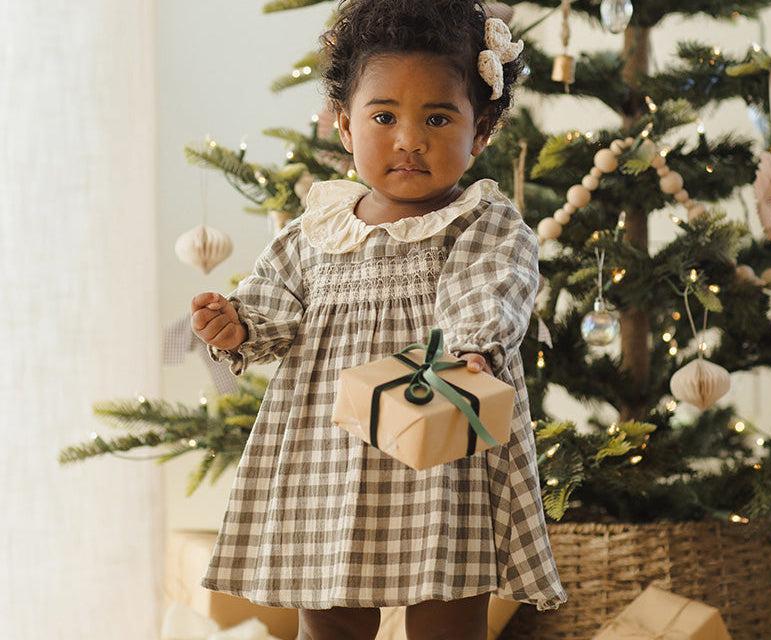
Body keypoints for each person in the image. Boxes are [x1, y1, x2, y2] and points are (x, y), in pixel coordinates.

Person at [191, 1, 566, 638]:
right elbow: (275, 310)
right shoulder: (318, 229)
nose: (409, 138)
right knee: (329, 618)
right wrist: (238, 324)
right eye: (384, 115)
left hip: (440, 447)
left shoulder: (481, 221)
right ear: (343, 125)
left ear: (480, 133)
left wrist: (471, 349)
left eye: (439, 117)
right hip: (327, 453)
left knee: (447, 612)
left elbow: (493, 290)